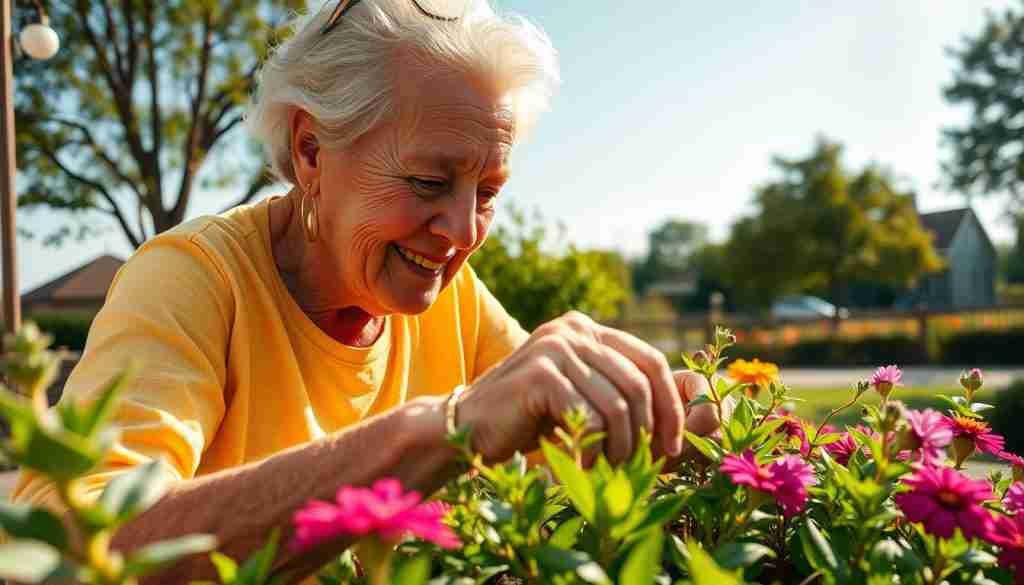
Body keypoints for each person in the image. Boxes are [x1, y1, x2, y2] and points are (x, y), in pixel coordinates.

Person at [11, 0, 723, 580]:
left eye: (488, 191)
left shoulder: (453, 297)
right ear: (310, 151)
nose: (462, 231)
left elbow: (559, 438)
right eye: (428, 181)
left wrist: (660, 409)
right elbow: (71, 550)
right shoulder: (192, 278)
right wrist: (441, 430)